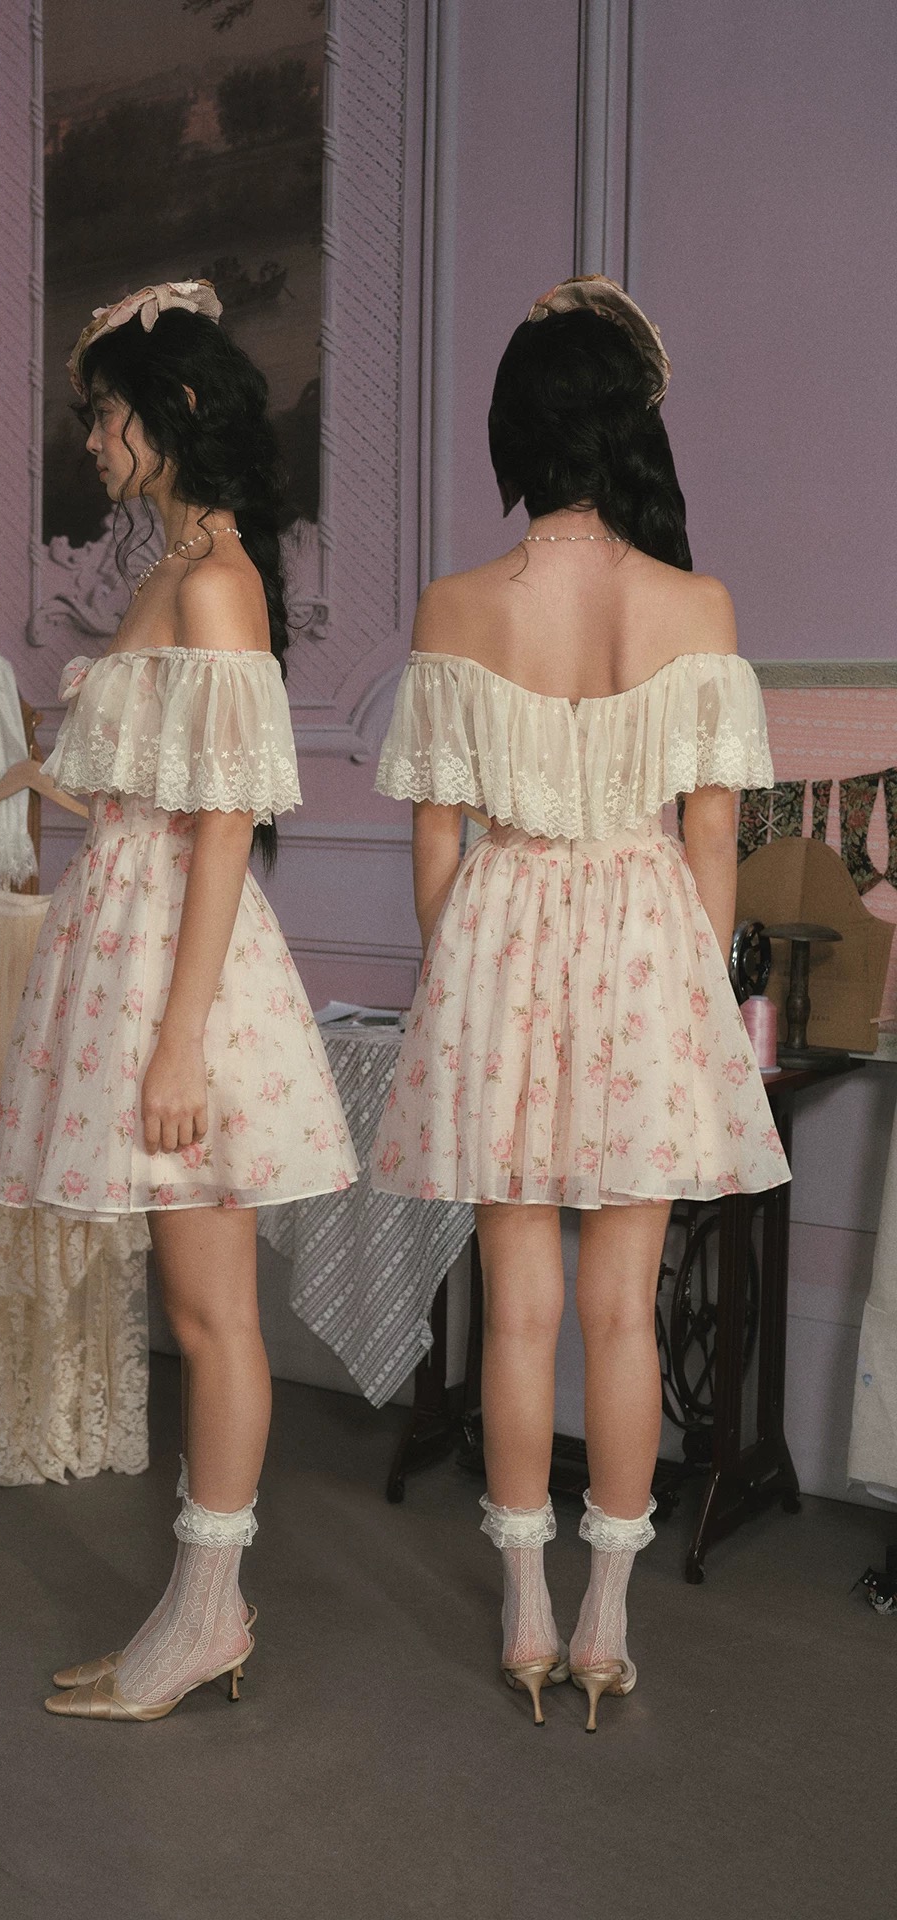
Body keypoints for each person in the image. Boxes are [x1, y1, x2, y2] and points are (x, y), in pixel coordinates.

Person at [370, 276, 789, 1729]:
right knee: (622, 1309)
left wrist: (477, 975)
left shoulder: (454, 605)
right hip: (644, 946)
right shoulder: (695, 605)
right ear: (632, 427)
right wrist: (688, 995)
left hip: (501, 934)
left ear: (518, 430)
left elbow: (436, 854)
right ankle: (607, 1617)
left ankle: (528, 1607)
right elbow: (713, 846)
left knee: (519, 1307)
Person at [0, 279, 358, 1720]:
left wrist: (181, 1041)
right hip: (128, 939)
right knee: (191, 1309)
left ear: (177, 410)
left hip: (181, 974)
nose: (91, 439)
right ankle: (200, 1609)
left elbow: (223, 828)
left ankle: (207, 1615)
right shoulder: (173, 569)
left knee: (211, 1315)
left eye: (106, 413)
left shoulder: (214, 581)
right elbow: (158, 791)